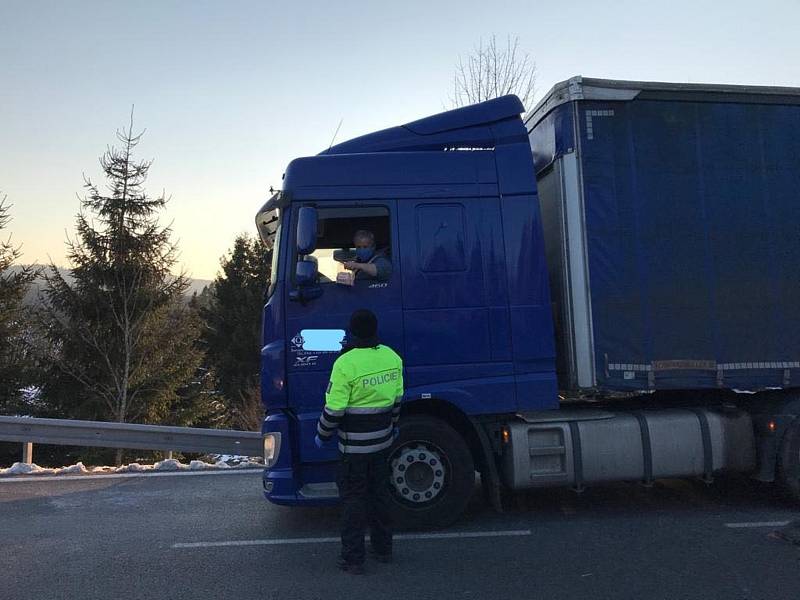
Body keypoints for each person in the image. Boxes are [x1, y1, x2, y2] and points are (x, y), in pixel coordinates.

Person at [315, 309, 404, 575]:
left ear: (352, 332)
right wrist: (393, 427)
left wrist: (322, 435)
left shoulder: (345, 363)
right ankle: (383, 549)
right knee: (380, 495)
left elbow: (334, 410)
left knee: (354, 501)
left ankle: (353, 559)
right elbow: (397, 401)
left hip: (353, 449)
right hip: (383, 444)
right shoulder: (392, 357)